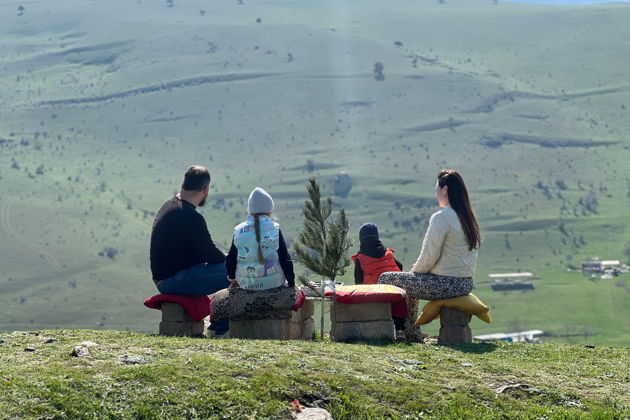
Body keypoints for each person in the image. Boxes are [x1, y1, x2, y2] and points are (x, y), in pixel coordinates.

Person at [378, 169, 481, 342]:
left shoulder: (441, 217)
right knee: (413, 282)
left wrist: (415, 272)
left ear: (445, 190)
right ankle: (411, 333)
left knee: (386, 278)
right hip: (465, 283)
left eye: (437, 190)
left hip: (445, 284)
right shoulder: (468, 218)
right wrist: (419, 274)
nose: (436, 195)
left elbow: (429, 256)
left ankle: (395, 332)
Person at [150, 165, 229, 334]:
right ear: (205, 189)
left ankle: (220, 325)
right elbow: (211, 254)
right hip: (173, 280)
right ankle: (222, 329)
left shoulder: (170, 205)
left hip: (167, 278)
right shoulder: (190, 216)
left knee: (230, 268)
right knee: (236, 271)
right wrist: (230, 258)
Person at [225, 187, 295, 291]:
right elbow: (285, 258)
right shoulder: (274, 229)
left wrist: (232, 278)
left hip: (246, 285)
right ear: (269, 210)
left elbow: (231, 257)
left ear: (250, 210)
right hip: (274, 284)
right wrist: (291, 283)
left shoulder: (238, 230)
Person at [351, 223, 407, 340]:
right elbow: (400, 265)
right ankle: (400, 330)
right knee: (397, 298)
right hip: (395, 293)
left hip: (373, 294)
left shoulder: (361, 258)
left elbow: (358, 282)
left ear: (361, 238)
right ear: (377, 236)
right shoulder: (388, 253)